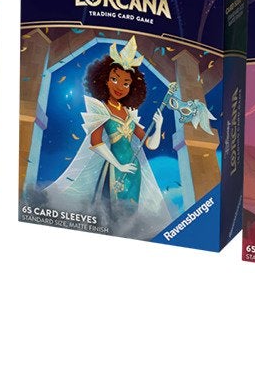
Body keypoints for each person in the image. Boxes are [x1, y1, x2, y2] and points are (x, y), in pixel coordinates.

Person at [47, 40, 176, 236]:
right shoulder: (101, 109)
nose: (119, 87)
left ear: (132, 87)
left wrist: (158, 126)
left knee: (130, 211)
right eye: (114, 79)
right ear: (104, 80)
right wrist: (119, 165)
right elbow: (96, 143)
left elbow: (150, 144)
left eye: (126, 83)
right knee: (113, 211)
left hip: (133, 170)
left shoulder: (130, 113)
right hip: (115, 169)